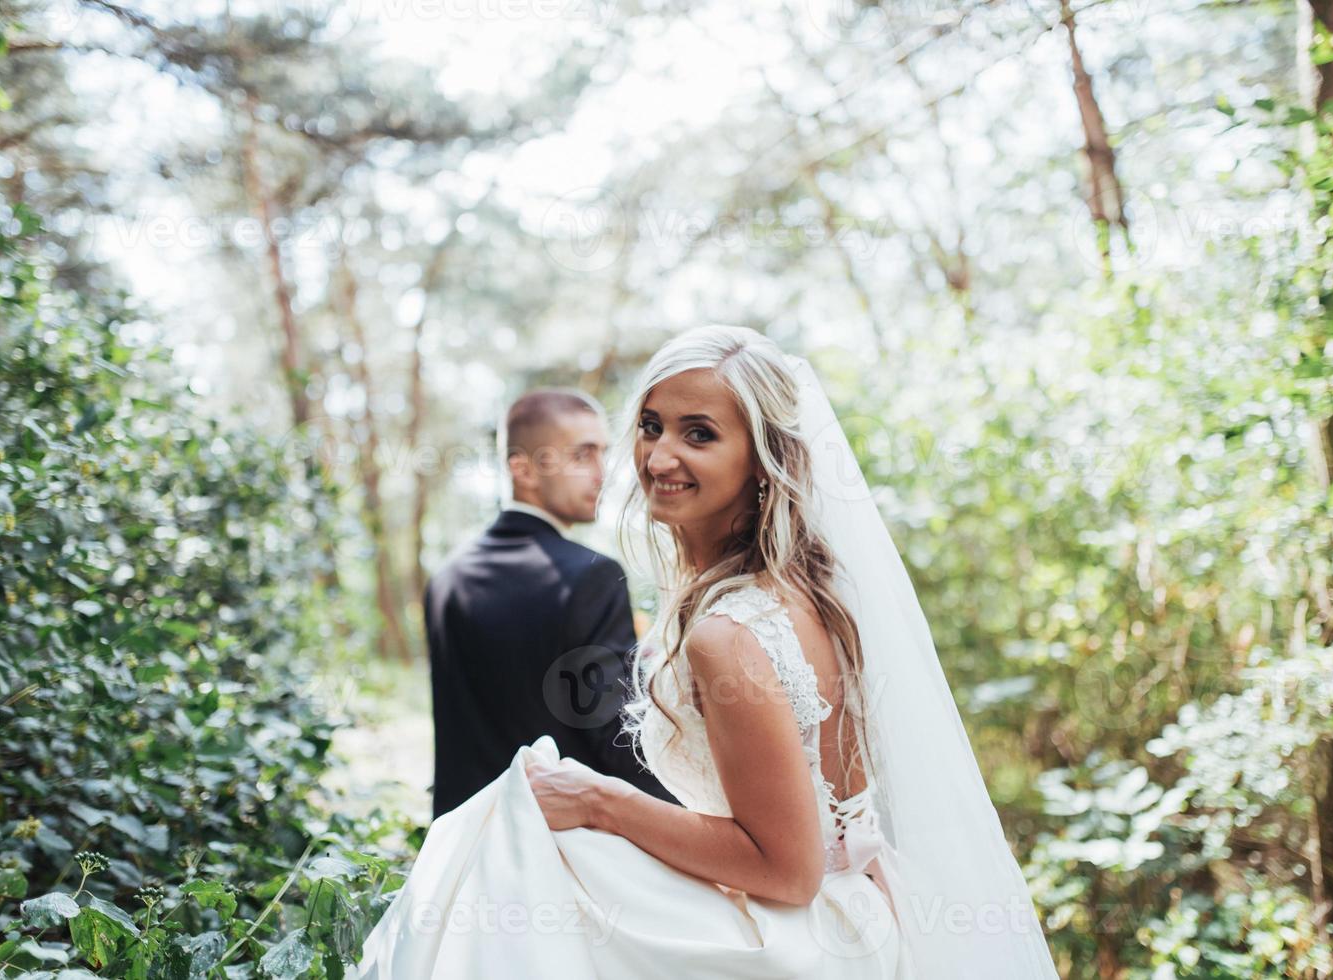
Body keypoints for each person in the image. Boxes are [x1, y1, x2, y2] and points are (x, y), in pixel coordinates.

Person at [354, 327, 1060, 978]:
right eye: (651, 427)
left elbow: (787, 869)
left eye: (699, 434)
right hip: (866, 909)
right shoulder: (806, 591)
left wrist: (601, 801)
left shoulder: (728, 634)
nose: (659, 457)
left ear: (762, 459)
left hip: (800, 934)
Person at [423, 387, 677, 819]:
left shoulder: (446, 579)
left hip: (460, 845)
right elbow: (616, 741)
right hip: (554, 846)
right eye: (582, 455)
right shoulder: (591, 576)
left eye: (602, 453)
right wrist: (698, 811)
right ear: (522, 469)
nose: (602, 473)